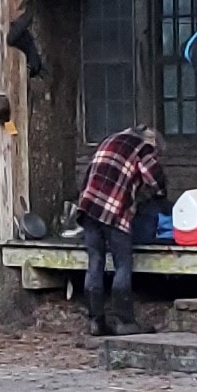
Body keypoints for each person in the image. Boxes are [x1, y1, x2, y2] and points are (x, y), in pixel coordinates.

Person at [71, 124, 164, 337]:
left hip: (88, 206)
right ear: (152, 141)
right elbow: (155, 179)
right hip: (113, 210)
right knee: (123, 263)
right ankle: (125, 321)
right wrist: (160, 195)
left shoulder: (109, 140)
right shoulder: (142, 147)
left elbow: (88, 175)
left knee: (95, 261)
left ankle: (96, 321)